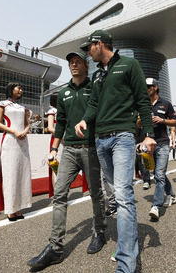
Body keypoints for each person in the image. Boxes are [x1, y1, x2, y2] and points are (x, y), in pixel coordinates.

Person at [75, 29, 156, 272]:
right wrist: (84, 120)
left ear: (99, 44)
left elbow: (142, 99)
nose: (87, 53)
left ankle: (126, 262)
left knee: (123, 195)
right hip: (101, 140)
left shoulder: (129, 65)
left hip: (123, 137)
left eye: (88, 48)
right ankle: (129, 243)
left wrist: (149, 134)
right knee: (116, 195)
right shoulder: (98, 75)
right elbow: (93, 104)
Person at [28, 50, 107, 269]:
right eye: (71, 62)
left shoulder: (95, 88)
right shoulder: (63, 94)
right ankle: (55, 247)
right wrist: (54, 149)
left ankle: (99, 231)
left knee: (96, 193)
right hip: (69, 150)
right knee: (60, 194)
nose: (73, 65)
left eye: (77, 62)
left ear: (86, 66)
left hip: (91, 148)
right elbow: (60, 123)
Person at [0, 82, 32, 221]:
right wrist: (14, 131)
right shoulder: (3, 104)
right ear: (11, 89)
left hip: (23, 141)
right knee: (10, 174)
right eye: (19, 88)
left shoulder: (22, 107)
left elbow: (27, 124)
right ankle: (10, 209)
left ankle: (19, 208)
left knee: (22, 173)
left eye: (21, 88)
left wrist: (25, 131)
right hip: (10, 140)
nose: (21, 90)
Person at [144, 78, 176, 221]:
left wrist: (162, 120)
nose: (147, 88)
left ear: (156, 87)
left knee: (158, 174)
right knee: (158, 173)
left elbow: (175, 122)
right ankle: (172, 195)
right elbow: (138, 124)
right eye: (145, 87)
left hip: (163, 143)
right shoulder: (143, 104)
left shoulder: (166, 104)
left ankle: (156, 206)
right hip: (148, 144)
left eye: (150, 86)